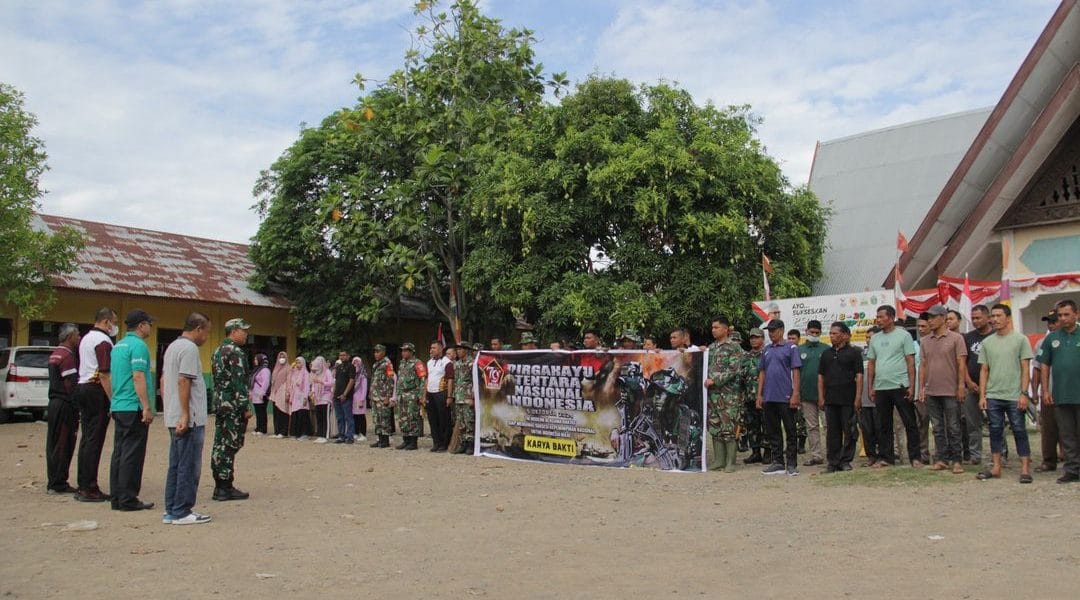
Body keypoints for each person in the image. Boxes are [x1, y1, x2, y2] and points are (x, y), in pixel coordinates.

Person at [161, 312, 213, 525]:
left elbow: (165, 380)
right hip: (188, 417)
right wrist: (185, 413)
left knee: (176, 464)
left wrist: (171, 409)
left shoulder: (173, 346)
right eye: (207, 332)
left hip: (175, 415)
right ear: (198, 328)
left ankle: (172, 510)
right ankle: (182, 510)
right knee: (189, 465)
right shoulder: (190, 348)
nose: (207, 337)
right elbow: (184, 381)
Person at [976, 304, 1034, 483]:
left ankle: (1025, 469)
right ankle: (996, 467)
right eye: (992, 316)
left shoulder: (1020, 339)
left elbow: (1025, 368)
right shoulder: (987, 342)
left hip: (1014, 395)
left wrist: (1024, 393)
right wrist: (982, 396)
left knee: (1019, 430)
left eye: (999, 315)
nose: (994, 319)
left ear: (1008, 318)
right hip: (993, 394)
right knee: (995, 431)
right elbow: (984, 370)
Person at [108, 309, 155, 511]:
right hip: (132, 406)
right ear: (141, 325)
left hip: (119, 405)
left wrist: (112, 402)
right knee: (132, 454)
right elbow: (138, 376)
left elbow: (111, 377)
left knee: (119, 452)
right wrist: (146, 406)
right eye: (149, 324)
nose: (150, 328)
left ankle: (117, 497)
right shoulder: (139, 346)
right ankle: (128, 498)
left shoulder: (117, 346)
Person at [867, 305, 920, 467]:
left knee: (909, 422)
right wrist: (871, 386)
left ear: (891, 317)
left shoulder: (904, 336)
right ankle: (886, 458)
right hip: (881, 387)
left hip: (900, 385)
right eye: (877, 317)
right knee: (884, 425)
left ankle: (915, 458)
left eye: (882, 317)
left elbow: (910, 362)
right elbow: (871, 364)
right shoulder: (875, 338)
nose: (879, 320)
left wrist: (912, 386)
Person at [75, 307, 118, 503]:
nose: (114, 326)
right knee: (95, 439)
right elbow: (104, 373)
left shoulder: (86, 337)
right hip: (95, 390)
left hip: (83, 387)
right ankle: (89, 488)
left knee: (87, 439)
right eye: (114, 322)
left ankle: (83, 483)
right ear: (107, 322)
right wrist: (113, 399)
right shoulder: (103, 341)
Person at [919, 305, 967, 474]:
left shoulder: (956, 338)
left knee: (953, 426)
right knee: (937, 427)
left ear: (943, 317)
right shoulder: (925, 341)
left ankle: (956, 460)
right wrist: (921, 388)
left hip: (951, 390)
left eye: (932, 317)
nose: (929, 321)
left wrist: (961, 385)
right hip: (932, 390)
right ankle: (941, 459)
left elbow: (961, 364)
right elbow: (923, 366)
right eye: (928, 318)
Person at [210, 318, 253, 501]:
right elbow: (239, 382)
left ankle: (220, 484)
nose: (246, 334)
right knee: (231, 443)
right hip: (234, 405)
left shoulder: (218, 350)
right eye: (243, 331)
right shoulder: (236, 352)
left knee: (220, 443)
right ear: (233, 331)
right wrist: (245, 406)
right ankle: (225, 487)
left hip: (221, 403)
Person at [1038, 300, 1080, 484]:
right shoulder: (1051, 338)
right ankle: (1072, 470)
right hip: (1061, 395)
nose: (1062, 318)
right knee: (1067, 434)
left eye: (1066, 314)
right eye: (1060, 315)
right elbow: (1044, 365)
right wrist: (1046, 390)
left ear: (1076, 314)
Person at [757, 319, 802, 476]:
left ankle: (791, 464)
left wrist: (795, 393)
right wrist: (759, 395)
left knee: (790, 431)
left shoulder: (791, 347)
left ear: (782, 330)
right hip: (769, 397)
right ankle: (778, 463)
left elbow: (796, 371)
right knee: (773, 431)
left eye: (774, 330)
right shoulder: (766, 350)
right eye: (769, 330)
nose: (771, 333)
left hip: (786, 396)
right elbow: (762, 372)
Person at [818, 321, 863, 472]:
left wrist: (857, 397)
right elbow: (821, 377)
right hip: (830, 399)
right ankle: (833, 462)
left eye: (835, 333)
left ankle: (845, 460)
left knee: (849, 430)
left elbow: (859, 375)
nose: (831, 336)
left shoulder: (854, 352)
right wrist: (821, 397)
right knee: (832, 432)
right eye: (830, 333)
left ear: (844, 335)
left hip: (848, 399)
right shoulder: (826, 353)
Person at [705, 316, 745, 472]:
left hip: (729, 396)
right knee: (715, 427)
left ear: (725, 329)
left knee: (729, 426)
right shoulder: (711, 347)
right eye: (712, 327)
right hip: (713, 395)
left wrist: (714, 380)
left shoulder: (734, 347)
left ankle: (730, 462)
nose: (713, 330)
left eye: (716, 327)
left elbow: (733, 370)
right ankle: (719, 460)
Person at [45, 323, 81, 495]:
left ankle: (53, 479)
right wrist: (77, 406)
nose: (79, 338)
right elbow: (70, 385)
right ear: (70, 337)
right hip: (64, 405)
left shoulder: (54, 354)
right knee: (64, 443)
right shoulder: (67, 356)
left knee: (53, 443)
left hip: (53, 404)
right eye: (77, 335)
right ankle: (58, 482)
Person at [961, 305, 993, 465]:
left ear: (988, 317)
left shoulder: (995, 335)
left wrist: (986, 386)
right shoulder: (968, 337)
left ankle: (1001, 455)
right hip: (972, 387)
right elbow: (963, 362)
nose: (975, 321)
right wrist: (968, 382)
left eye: (978, 317)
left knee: (996, 422)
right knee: (972, 423)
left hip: (993, 387)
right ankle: (975, 455)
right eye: (973, 318)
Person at [1032, 309, 1063, 471]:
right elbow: (1037, 369)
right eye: (1049, 322)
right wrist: (1036, 391)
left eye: (1054, 321)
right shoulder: (1042, 343)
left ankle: (1071, 458)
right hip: (1049, 393)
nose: (1051, 325)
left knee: (1072, 428)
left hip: (1070, 392)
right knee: (1049, 428)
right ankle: (1049, 460)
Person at [798, 320, 827, 466]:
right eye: (812, 332)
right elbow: (795, 373)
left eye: (817, 333)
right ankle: (816, 456)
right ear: (806, 331)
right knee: (812, 427)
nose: (814, 335)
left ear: (821, 333)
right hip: (806, 395)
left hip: (826, 395)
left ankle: (832, 454)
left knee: (829, 426)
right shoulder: (799, 350)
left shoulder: (826, 349)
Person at [741, 328, 768, 464]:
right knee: (752, 426)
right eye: (751, 337)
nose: (753, 340)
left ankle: (768, 452)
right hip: (749, 398)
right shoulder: (746, 356)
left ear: (762, 339)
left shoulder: (768, 354)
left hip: (765, 397)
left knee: (767, 425)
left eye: (756, 337)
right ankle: (756, 452)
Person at [396, 343, 426, 450]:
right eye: (403, 350)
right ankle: (406, 440)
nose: (403, 352)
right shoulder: (402, 363)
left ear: (412, 351)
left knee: (412, 418)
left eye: (406, 350)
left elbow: (422, 379)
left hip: (412, 394)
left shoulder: (417, 363)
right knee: (403, 418)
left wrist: (421, 395)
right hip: (402, 395)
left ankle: (413, 442)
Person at [424, 341, 453, 452]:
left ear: (441, 349)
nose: (431, 350)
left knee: (443, 419)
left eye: (434, 348)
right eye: (431, 348)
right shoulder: (429, 362)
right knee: (432, 419)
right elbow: (427, 378)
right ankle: (436, 442)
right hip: (431, 393)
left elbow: (450, 379)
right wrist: (424, 394)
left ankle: (444, 444)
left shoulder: (447, 362)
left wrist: (449, 396)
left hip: (441, 393)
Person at [858, 327, 881, 467]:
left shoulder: (883, 353)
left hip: (879, 398)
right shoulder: (861, 354)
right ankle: (871, 456)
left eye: (870, 337)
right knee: (867, 430)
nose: (868, 340)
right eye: (866, 337)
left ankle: (883, 456)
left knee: (880, 429)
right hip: (864, 399)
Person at [451, 342, 477, 454]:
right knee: (461, 421)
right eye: (457, 349)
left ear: (466, 350)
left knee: (469, 421)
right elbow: (456, 381)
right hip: (458, 396)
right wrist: (453, 396)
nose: (458, 351)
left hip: (468, 396)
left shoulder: (472, 363)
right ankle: (463, 443)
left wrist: (473, 397)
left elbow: (475, 381)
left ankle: (470, 444)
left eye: (460, 349)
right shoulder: (456, 364)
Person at [369, 345, 396, 448]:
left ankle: (385, 441)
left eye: (378, 352)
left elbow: (390, 380)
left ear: (383, 352)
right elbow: (374, 380)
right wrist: (371, 394)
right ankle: (379, 439)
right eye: (375, 352)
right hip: (375, 396)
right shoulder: (376, 364)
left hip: (383, 396)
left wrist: (388, 397)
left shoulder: (387, 364)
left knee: (384, 418)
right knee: (377, 419)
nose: (376, 354)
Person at [332, 351, 356, 444]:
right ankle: (341, 435)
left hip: (346, 396)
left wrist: (345, 394)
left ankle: (350, 436)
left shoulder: (351, 367)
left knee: (348, 417)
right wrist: (333, 394)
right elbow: (336, 381)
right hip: (336, 395)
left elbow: (351, 381)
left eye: (344, 355)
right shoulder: (338, 367)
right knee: (339, 417)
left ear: (348, 356)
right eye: (340, 355)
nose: (342, 357)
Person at [309, 356, 333, 443]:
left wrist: (322, 382)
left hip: (326, 398)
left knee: (325, 417)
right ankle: (320, 435)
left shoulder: (327, 372)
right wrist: (312, 392)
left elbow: (331, 383)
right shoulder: (316, 374)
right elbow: (313, 385)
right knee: (319, 418)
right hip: (317, 399)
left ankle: (325, 436)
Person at [288, 357, 311, 440]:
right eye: (297, 362)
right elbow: (291, 385)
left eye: (299, 362)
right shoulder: (294, 373)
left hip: (302, 396)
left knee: (303, 414)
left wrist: (305, 397)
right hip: (295, 396)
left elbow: (307, 386)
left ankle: (304, 433)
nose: (298, 364)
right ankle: (295, 433)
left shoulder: (305, 373)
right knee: (295, 414)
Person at [269, 351, 290, 438]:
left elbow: (289, 381)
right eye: (280, 357)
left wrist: (287, 393)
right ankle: (277, 431)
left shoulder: (288, 368)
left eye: (284, 357)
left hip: (283, 391)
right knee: (276, 412)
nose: (282, 359)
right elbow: (273, 381)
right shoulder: (276, 368)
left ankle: (283, 431)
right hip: (275, 392)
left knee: (283, 411)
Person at [249, 354, 270, 435]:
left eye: (256, 359)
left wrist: (262, 392)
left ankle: (263, 429)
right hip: (255, 394)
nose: (255, 361)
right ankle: (258, 428)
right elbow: (252, 382)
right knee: (257, 412)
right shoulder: (257, 370)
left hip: (261, 394)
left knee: (262, 412)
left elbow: (266, 382)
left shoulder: (265, 370)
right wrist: (251, 392)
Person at [351, 356, 369, 441]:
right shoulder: (352, 375)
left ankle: (363, 434)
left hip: (360, 399)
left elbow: (364, 388)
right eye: (354, 362)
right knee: (354, 416)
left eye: (357, 362)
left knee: (361, 416)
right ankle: (356, 432)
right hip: (353, 399)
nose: (355, 364)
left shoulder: (363, 375)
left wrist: (362, 399)